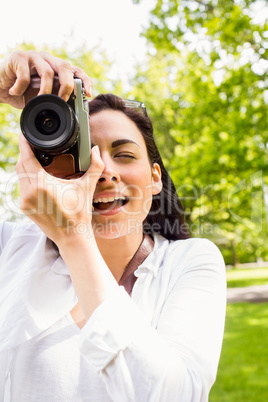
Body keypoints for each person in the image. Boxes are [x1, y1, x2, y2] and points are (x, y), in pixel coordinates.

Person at [0, 50, 226, 402]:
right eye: (87, 154)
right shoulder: (12, 246)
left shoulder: (191, 261)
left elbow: (176, 394)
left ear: (155, 178)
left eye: (124, 154)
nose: (104, 171)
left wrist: (75, 238)